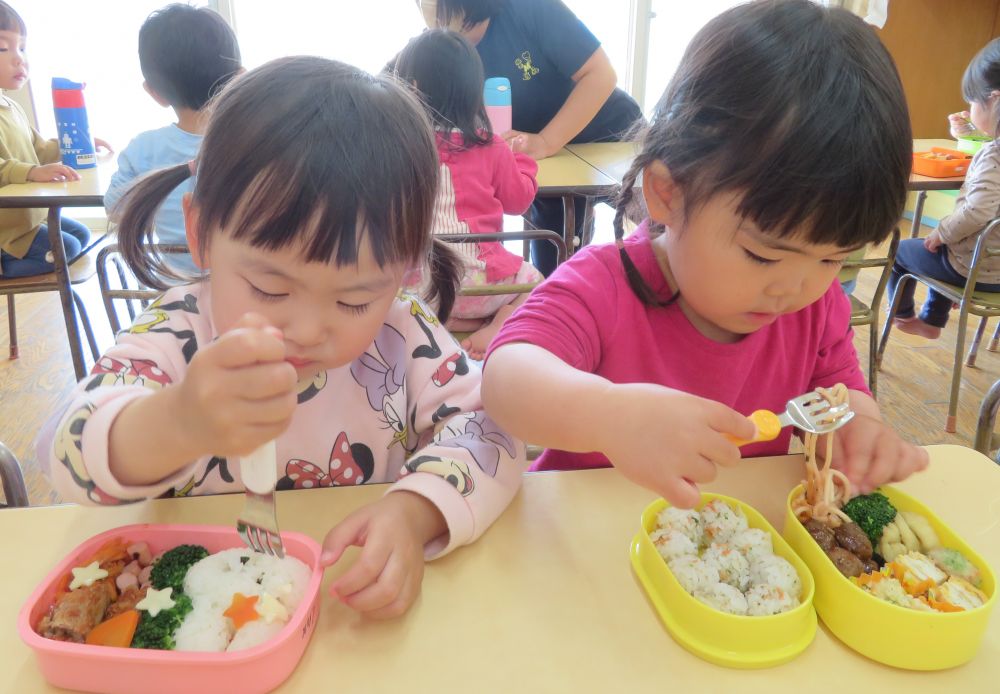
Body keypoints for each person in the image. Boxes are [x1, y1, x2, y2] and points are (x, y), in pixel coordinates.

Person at [38, 56, 527, 619]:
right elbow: (64, 448)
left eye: (353, 300)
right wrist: (177, 420)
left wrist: (417, 512)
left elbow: (492, 430)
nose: (307, 328)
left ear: (404, 271)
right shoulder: (177, 332)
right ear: (201, 234)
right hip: (196, 625)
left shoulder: (402, 332)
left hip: (352, 616)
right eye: (270, 287)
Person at [481, 0, 928, 509]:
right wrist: (607, 413)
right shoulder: (603, 287)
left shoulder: (813, 308)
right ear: (668, 193)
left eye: (833, 260)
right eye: (762, 255)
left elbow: (841, 398)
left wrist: (859, 432)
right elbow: (505, 380)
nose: (795, 288)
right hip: (589, 548)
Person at [417, 0, 642, 277]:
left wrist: (547, 141)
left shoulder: (530, 8)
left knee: (666, 227)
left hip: (612, 137)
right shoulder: (442, 48)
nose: (444, 30)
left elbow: (601, 74)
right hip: (543, 160)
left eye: (452, 22)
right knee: (553, 272)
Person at [394, 29, 540, 359]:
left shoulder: (403, 145)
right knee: (537, 283)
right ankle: (499, 322)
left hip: (419, 290)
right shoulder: (491, 145)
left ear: (411, 87)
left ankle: (436, 324)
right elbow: (520, 201)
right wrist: (524, 162)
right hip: (484, 285)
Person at [104, 3, 242, 276]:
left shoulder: (143, 149)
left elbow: (115, 208)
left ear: (154, 92)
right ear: (239, 78)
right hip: (250, 291)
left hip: (176, 289)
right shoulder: (255, 142)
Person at [887, 38, 1000, 340]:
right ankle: (934, 314)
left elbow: (978, 210)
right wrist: (975, 128)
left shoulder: (993, 156)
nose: (970, 108)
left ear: (995, 100)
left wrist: (943, 231)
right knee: (949, 246)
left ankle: (906, 317)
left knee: (903, 251)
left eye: (973, 103)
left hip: (977, 270)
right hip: (992, 268)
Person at [0, 1, 111, 277]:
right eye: (3, 48)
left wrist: (73, 147)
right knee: (68, 249)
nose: (19, 58)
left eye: (22, 47)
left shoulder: (10, 106)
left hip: (27, 219)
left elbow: (39, 148)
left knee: (81, 236)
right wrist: (33, 172)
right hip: (6, 230)